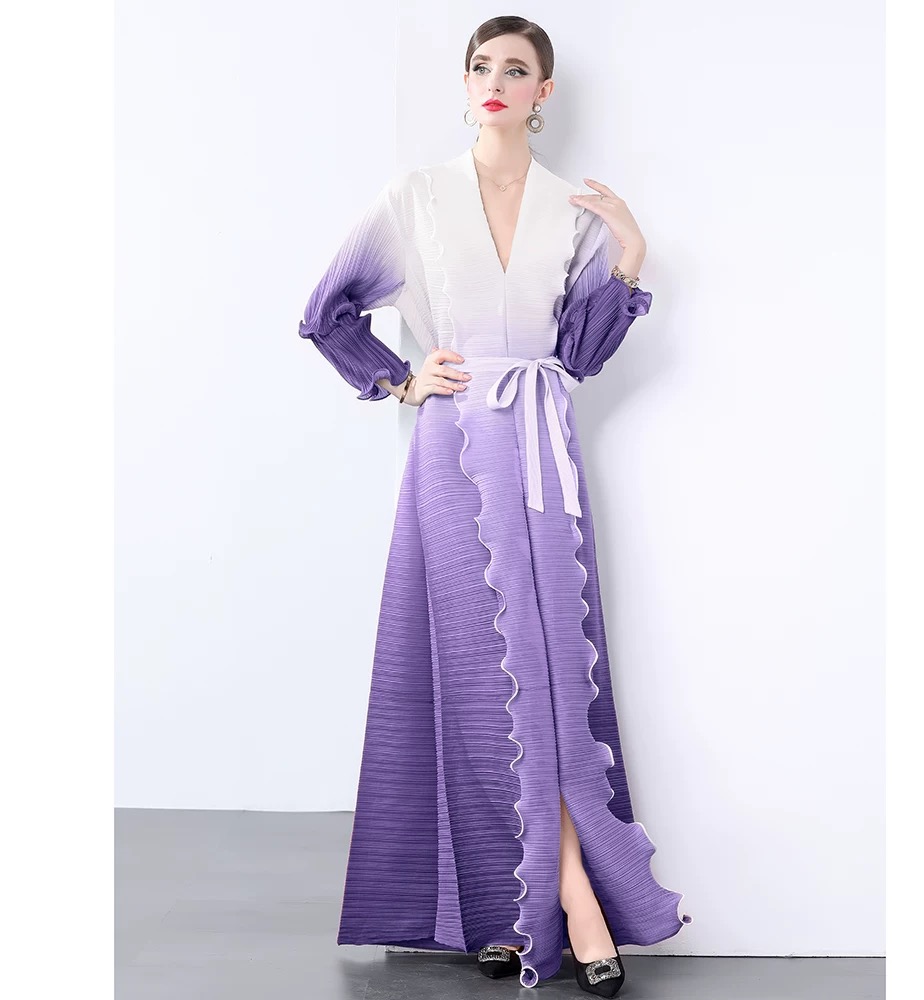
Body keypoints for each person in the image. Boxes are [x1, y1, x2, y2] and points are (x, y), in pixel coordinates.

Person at [296, 15, 691, 997]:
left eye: (516, 69)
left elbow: (582, 354)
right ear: (466, 80)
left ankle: (517, 914)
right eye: (482, 66)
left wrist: (630, 253)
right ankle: (573, 902)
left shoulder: (570, 209)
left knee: (548, 677)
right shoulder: (417, 197)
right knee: (481, 677)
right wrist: (401, 380)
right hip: (455, 446)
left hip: (542, 451)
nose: (496, 81)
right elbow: (325, 310)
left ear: (542, 92)